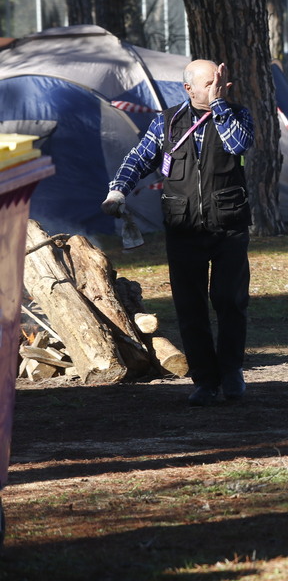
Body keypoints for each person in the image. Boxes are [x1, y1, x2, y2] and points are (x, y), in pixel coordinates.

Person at [101, 59, 254, 406]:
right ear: (188, 88)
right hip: (184, 229)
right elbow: (138, 158)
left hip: (229, 226)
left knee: (231, 303)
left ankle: (231, 372)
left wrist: (219, 105)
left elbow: (237, 146)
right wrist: (118, 190)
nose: (220, 87)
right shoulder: (167, 123)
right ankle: (204, 380)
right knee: (190, 307)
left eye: (221, 81)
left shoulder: (237, 115)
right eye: (210, 83)